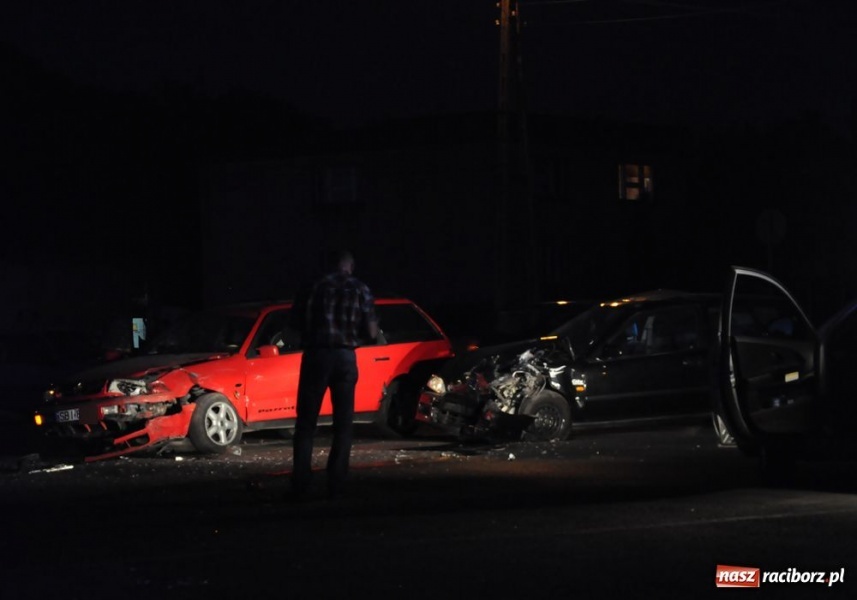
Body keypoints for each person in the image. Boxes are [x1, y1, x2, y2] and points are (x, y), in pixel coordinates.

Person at [289, 250, 378, 500]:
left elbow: (294, 325)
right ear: (349, 266)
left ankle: (301, 484)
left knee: (306, 422)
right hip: (345, 357)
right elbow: (371, 331)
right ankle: (336, 482)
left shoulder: (312, 287)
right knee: (343, 423)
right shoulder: (361, 289)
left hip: (316, 355)